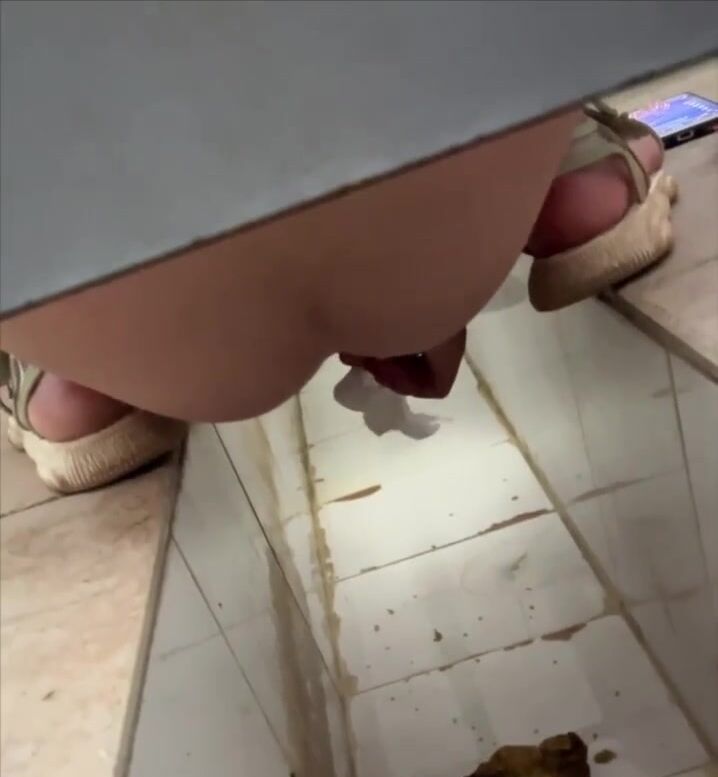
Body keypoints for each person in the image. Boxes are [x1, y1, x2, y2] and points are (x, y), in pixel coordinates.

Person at [0, 100, 671, 495]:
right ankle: (570, 169)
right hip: (445, 146)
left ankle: (70, 373)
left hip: (120, 288)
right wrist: (401, 261)